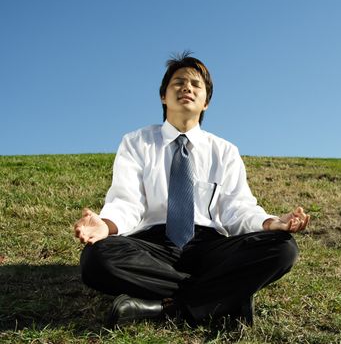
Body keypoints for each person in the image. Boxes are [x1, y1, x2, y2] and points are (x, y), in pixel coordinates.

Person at [74, 51, 310, 328]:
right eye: (178, 82)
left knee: (282, 249)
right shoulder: (136, 142)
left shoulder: (224, 151)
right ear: (164, 96)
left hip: (208, 246)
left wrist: (271, 223)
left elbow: (236, 208)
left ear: (206, 102)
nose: (187, 87)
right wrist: (106, 226)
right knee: (96, 258)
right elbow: (128, 201)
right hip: (152, 245)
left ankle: (163, 307)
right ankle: (223, 299)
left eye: (196, 84)